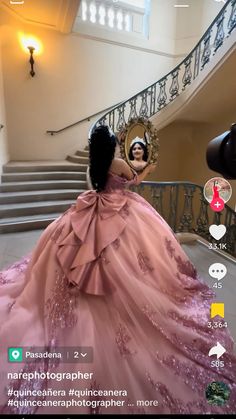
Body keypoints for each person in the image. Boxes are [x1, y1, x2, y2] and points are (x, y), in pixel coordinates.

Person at [0, 125, 235, 415]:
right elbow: (133, 181)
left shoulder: (95, 165)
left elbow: (97, 186)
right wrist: (148, 170)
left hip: (91, 211)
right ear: (111, 147)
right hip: (121, 210)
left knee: (73, 252)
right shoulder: (118, 164)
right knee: (143, 262)